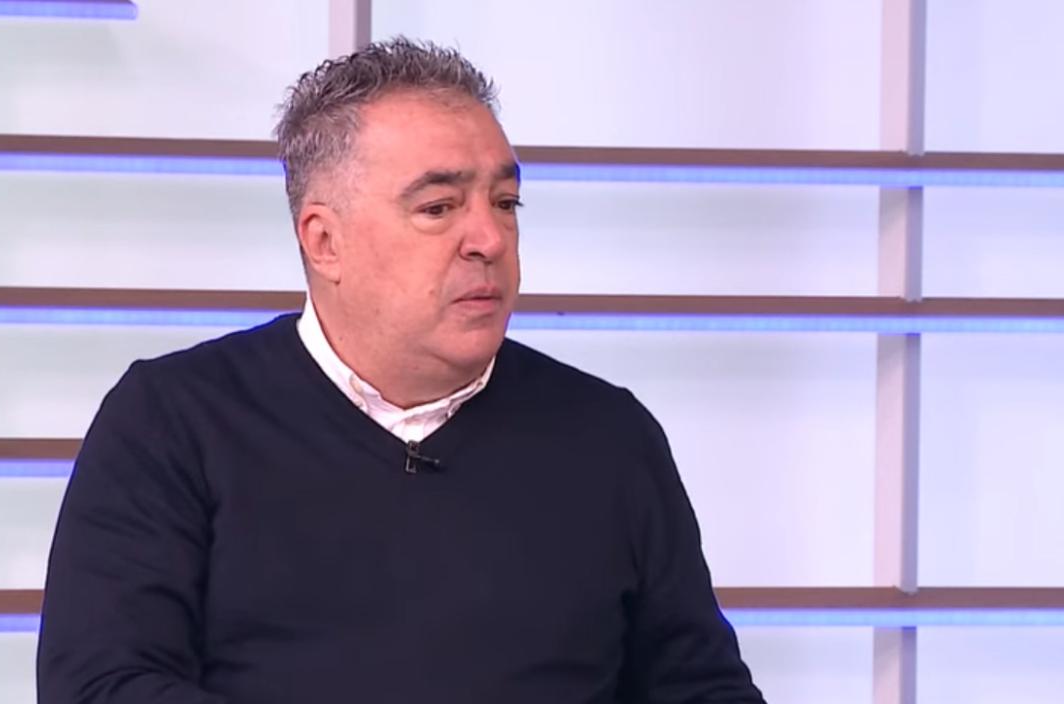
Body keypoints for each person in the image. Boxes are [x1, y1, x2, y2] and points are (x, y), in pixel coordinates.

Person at [37, 38, 764, 703]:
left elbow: (700, 689)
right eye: (439, 207)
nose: (488, 238)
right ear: (325, 241)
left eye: (505, 202)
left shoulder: (608, 436)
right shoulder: (173, 421)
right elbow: (103, 686)